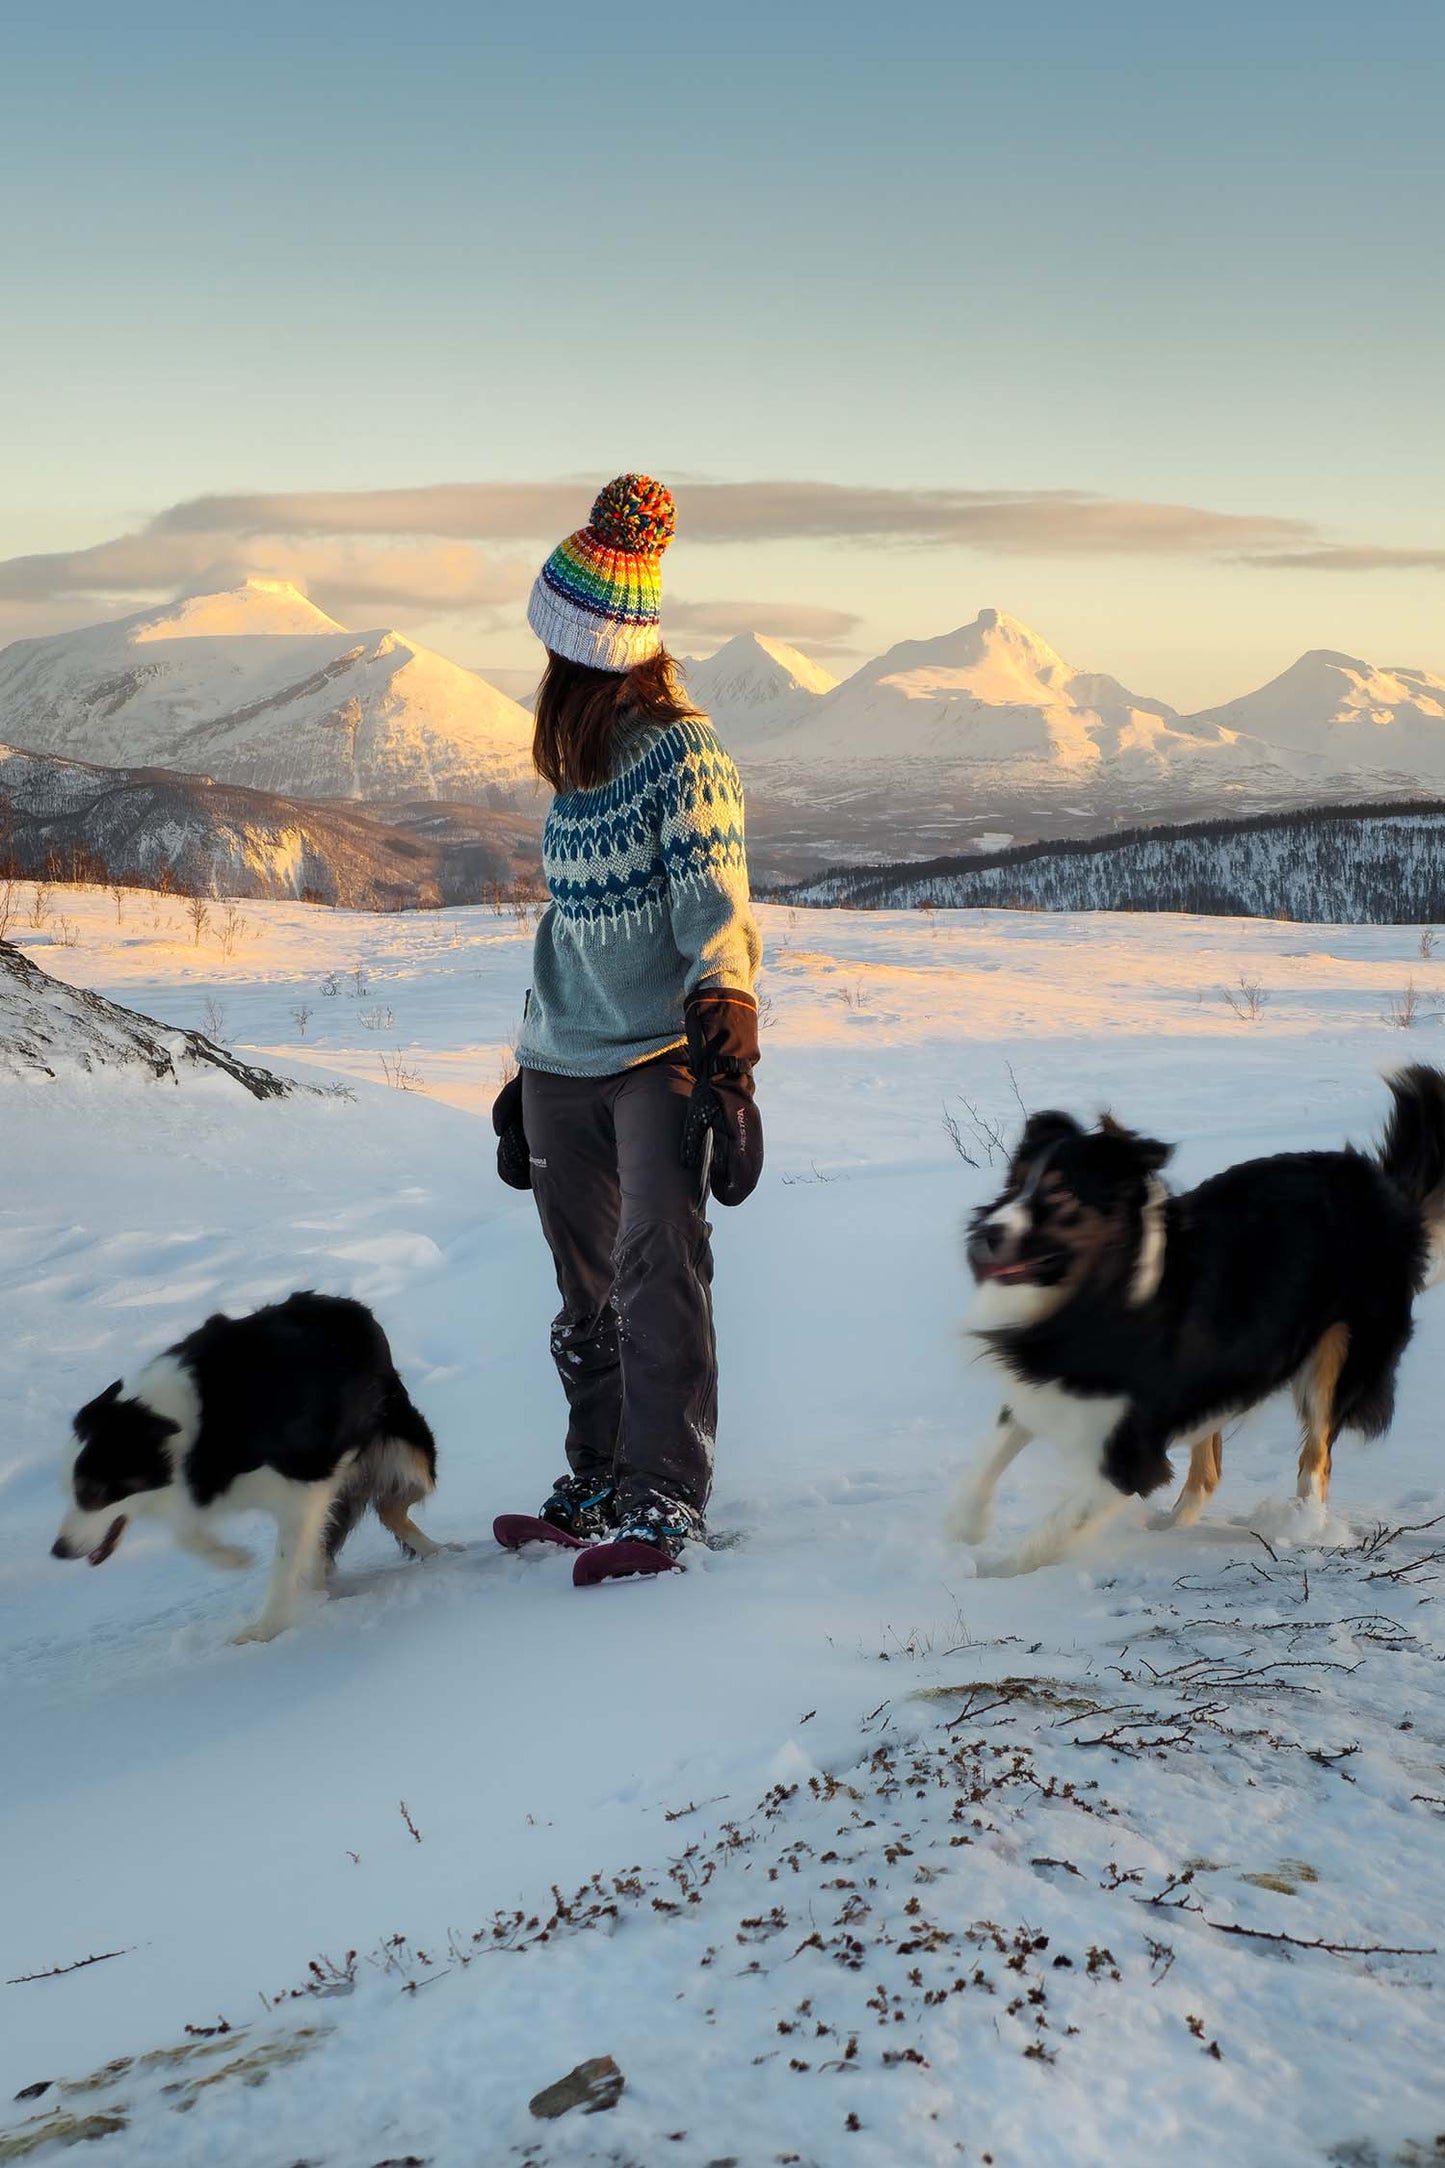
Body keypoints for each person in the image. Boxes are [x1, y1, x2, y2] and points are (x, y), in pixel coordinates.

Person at [491, 475, 763, 1578]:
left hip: (657, 1056)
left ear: (590, 648)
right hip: (563, 1058)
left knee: (659, 1273)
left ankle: (665, 1498)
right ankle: (599, 1473)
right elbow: (567, 923)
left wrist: (728, 1035)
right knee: (584, 1290)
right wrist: (522, 1069)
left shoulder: (683, 753)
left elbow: (716, 903)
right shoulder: (577, 768)